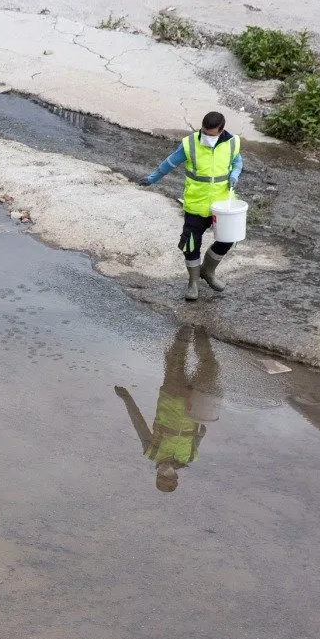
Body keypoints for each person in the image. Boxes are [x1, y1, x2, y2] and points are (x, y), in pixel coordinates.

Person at [142, 111, 243, 301]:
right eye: (204, 132)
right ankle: (193, 282)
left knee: (227, 239)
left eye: (211, 134)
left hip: (221, 205)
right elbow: (170, 163)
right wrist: (153, 178)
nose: (207, 137)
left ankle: (207, 271)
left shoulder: (232, 142)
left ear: (221, 131)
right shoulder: (190, 144)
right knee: (191, 244)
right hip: (196, 204)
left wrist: (235, 174)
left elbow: (237, 160)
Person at [115, 326, 222, 493]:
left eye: (161, 475)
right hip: (194, 402)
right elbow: (199, 434)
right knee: (210, 367)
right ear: (175, 476)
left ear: (156, 474)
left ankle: (186, 326)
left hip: (171, 395)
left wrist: (126, 398)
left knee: (176, 360)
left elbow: (138, 423)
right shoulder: (190, 457)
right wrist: (202, 426)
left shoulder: (151, 452)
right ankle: (202, 330)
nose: (164, 472)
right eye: (168, 476)